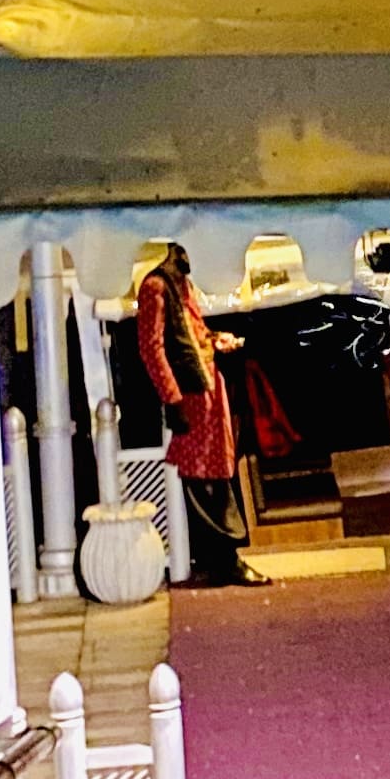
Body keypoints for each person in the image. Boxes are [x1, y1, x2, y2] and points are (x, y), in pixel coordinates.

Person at [132, 244, 251, 586]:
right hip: (190, 393)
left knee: (216, 470)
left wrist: (214, 340)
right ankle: (222, 559)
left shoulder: (181, 285)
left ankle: (223, 557)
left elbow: (189, 335)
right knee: (203, 476)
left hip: (206, 386)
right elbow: (151, 348)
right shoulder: (156, 286)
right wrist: (172, 398)